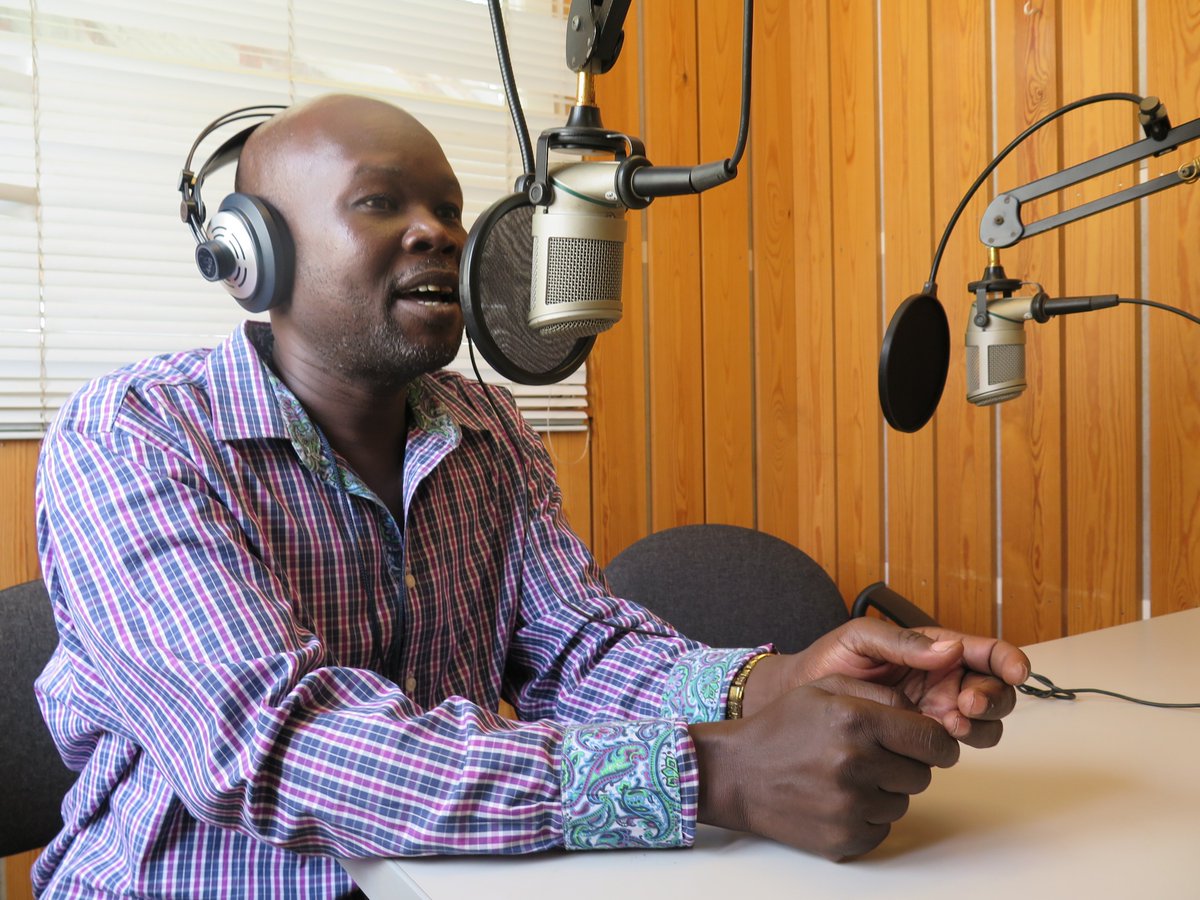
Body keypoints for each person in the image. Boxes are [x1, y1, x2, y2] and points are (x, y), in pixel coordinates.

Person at [33, 94, 1030, 898]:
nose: (438, 234)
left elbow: (580, 652)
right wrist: (718, 772)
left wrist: (781, 686)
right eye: (380, 203)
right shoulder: (133, 433)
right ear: (250, 255)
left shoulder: (488, 425)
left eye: (449, 209)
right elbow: (276, 747)